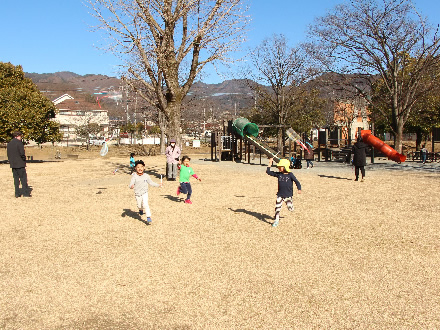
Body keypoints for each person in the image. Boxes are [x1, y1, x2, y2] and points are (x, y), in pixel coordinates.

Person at [266, 158, 302, 227]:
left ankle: (291, 206)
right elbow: (268, 172)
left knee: (290, 208)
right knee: (277, 208)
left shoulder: (290, 175)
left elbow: (297, 182)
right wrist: (270, 164)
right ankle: (276, 220)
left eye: (280, 167)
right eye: (278, 167)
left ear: (285, 167)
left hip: (288, 195)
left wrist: (299, 189)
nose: (279, 168)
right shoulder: (279, 174)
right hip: (280, 195)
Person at [129, 160, 162, 224]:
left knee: (145, 204)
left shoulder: (146, 176)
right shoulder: (134, 176)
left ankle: (148, 216)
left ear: (144, 167)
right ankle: (140, 209)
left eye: (141, 167)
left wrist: (158, 185)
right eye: (138, 167)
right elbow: (131, 184)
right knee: (139, 205)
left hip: (144, 192)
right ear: (135, 168)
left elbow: (151, 183)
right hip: (137, 193)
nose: (140, 168)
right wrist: (131, 186)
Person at [7, 131, 31, 198]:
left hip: (13, 164)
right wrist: (24, 160)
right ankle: (25, 193)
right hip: (20, 164)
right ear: (17, 136)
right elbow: (22, 154)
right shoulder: (19, 143)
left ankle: (17, 193)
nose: (21, 137)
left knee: (16, 180)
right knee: (23, 179)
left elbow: (8, 155)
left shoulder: (9, 144)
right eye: (20, 136)